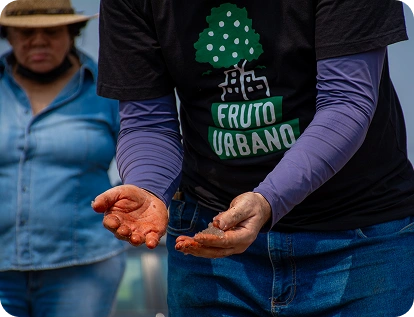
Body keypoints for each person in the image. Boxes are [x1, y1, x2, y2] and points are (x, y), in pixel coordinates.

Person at [93, 0, 414, 316]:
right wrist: (149, 188)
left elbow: (346, 101)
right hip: (211, 241)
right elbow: (148, 123)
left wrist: (267, 200)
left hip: (360, 238)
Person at [0, 0, 129, 316]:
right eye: (26, 32)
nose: (39, 41)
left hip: (84, 266)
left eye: (52, 31)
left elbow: (144, 149)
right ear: (9, 35)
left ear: (73, 31)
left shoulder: (107, 88)